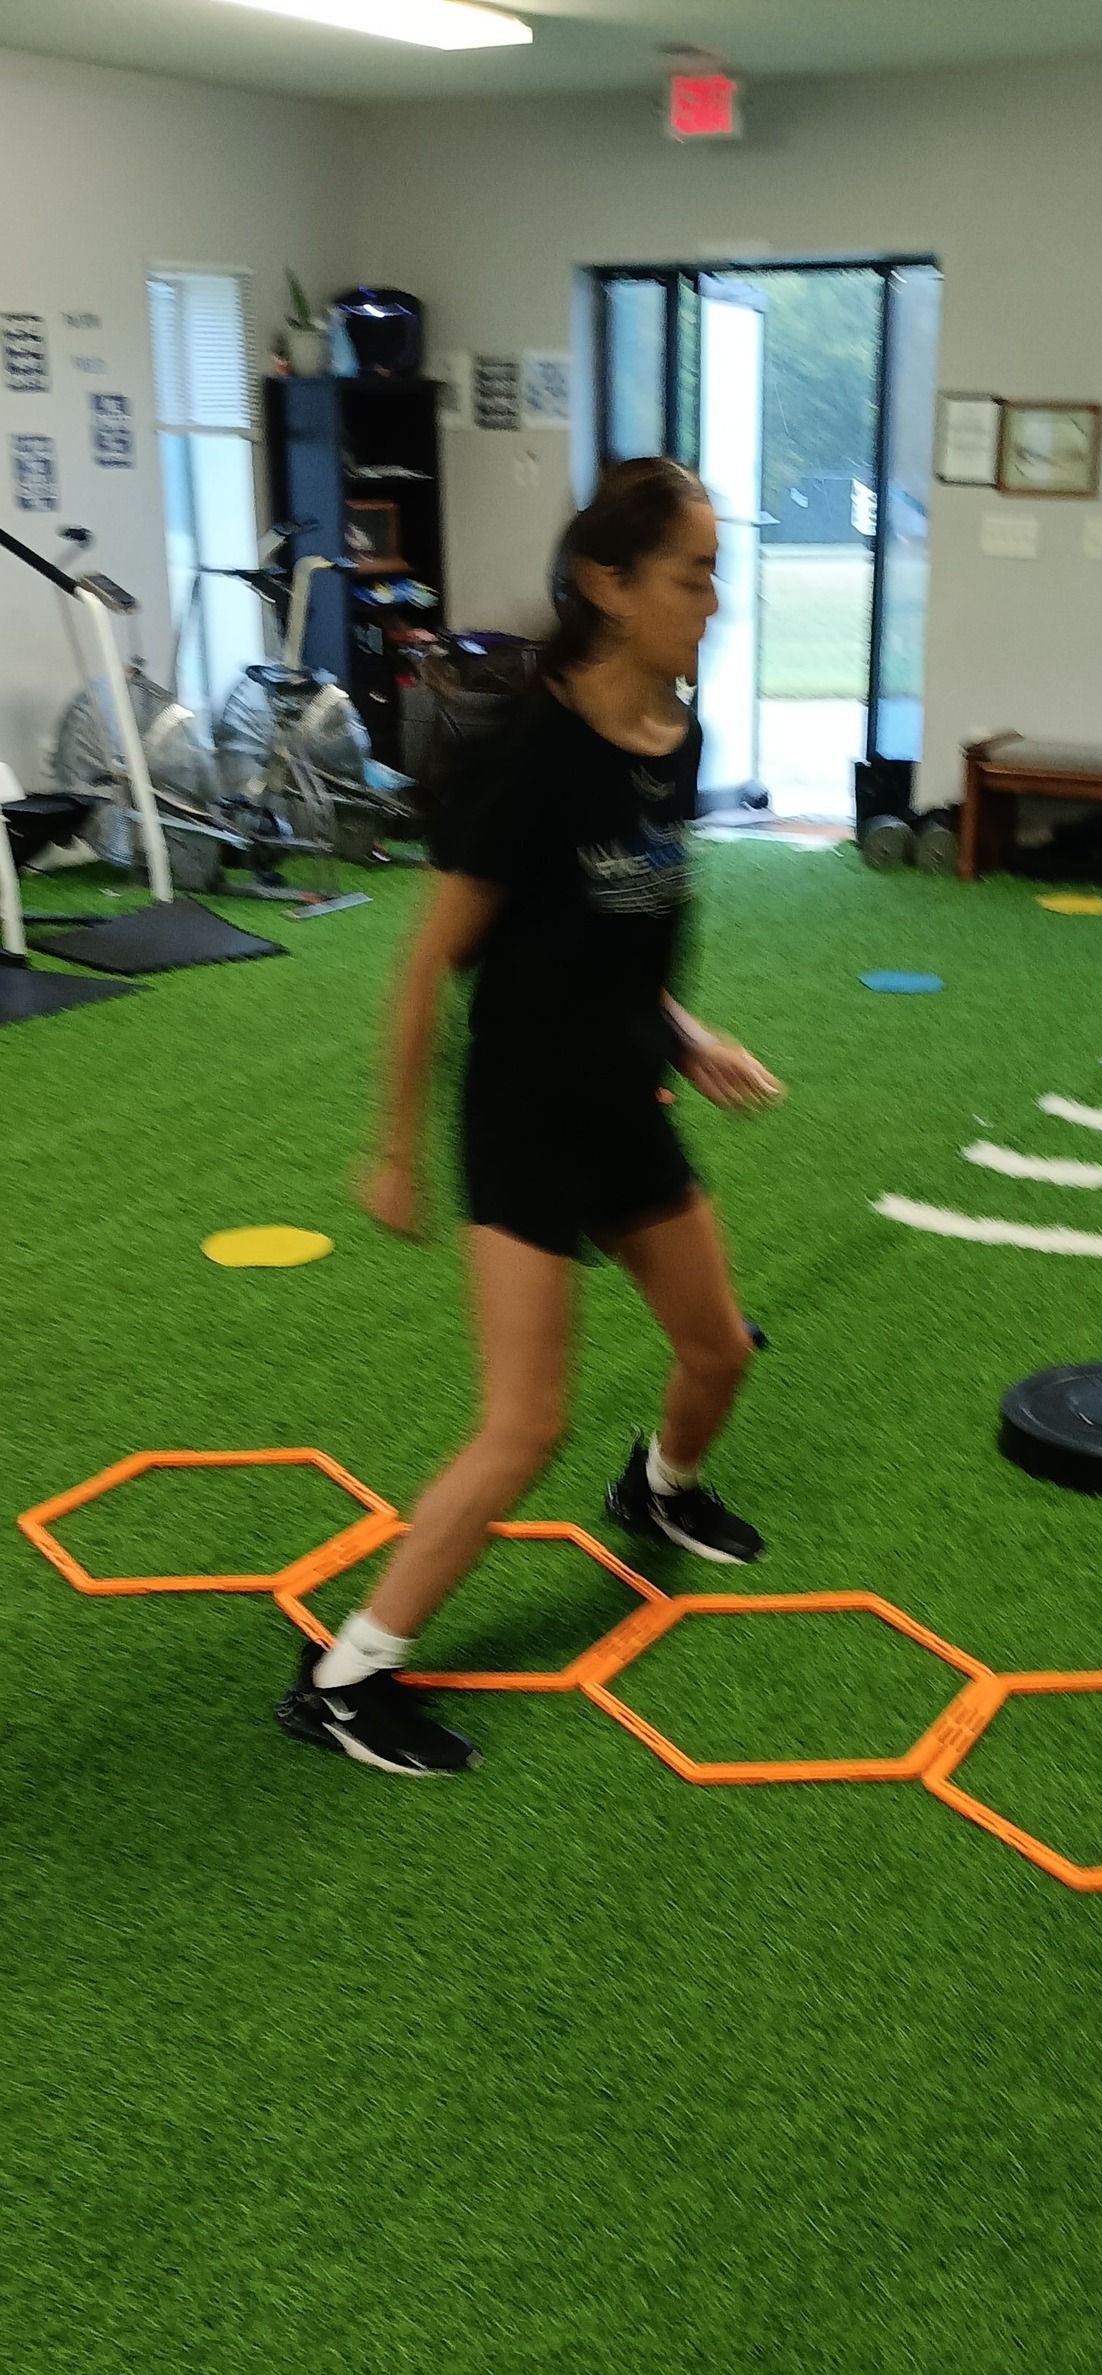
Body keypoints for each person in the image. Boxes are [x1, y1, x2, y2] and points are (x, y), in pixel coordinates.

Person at [278, 455, 783, 1778]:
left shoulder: (682, 739)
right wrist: (392, 1149)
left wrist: (687, 1032)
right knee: (522, 1425)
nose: (714, 600)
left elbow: (618, 934)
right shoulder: (532, 755)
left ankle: (658, 1489)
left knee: (718, 1349)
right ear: (609, 587)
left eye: (716, 571)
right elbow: (427, 963)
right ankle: (345, 1677)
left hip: (624, 1100)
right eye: (693, 573)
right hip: (522, 1119)